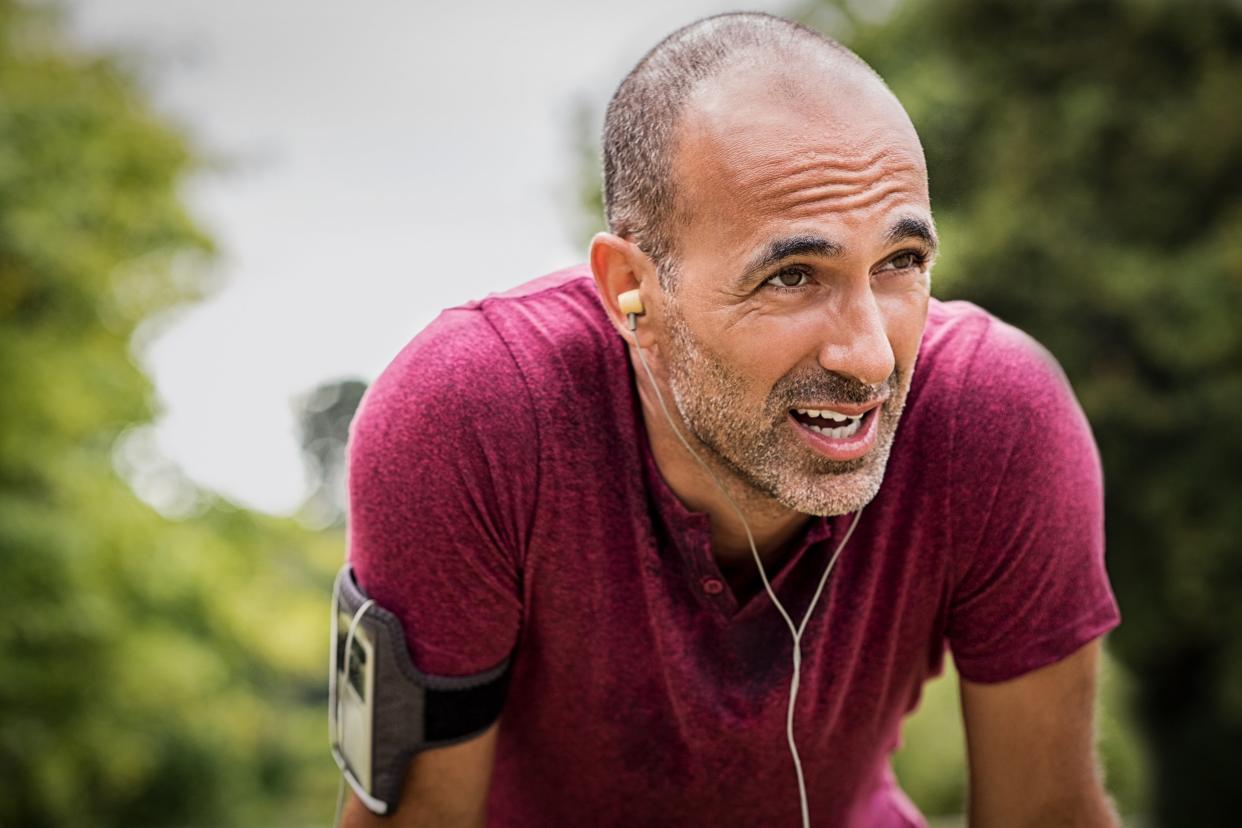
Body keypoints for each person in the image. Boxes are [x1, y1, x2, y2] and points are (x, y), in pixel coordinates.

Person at [342, 12, 1121, 827]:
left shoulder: (994, 416)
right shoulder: (470, 418)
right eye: (791, 276)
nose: (870, 358)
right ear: (628, 290)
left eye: (900, 263)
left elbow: (1047, 813)